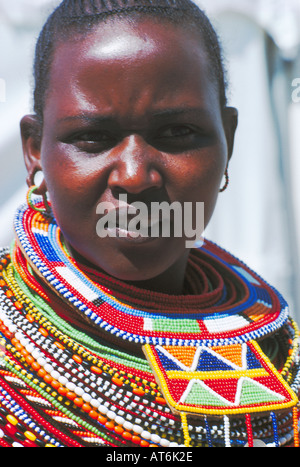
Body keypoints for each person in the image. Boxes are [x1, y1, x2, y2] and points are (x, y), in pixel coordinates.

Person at [0, 0, 299, 448]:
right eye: (92, 138)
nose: (135, 177)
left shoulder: (280, 350)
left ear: (228, 139)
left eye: (177, 132)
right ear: (35, 151)